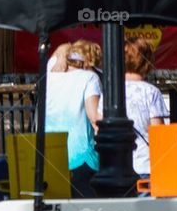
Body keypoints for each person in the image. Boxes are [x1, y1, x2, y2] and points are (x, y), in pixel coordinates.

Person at [45, 40, 102, 197]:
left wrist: (63, 56)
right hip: (82, 156)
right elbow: (94, 117)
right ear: (89, 63)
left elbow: (60, 47)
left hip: (51, 156)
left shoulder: (50, 74)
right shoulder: (90, 78)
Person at [106, 37, 167, 178]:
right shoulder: (151, 92)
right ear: (148, 61)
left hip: (115, 166)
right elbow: (158, 133)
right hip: (145, 165)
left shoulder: (110, 92)